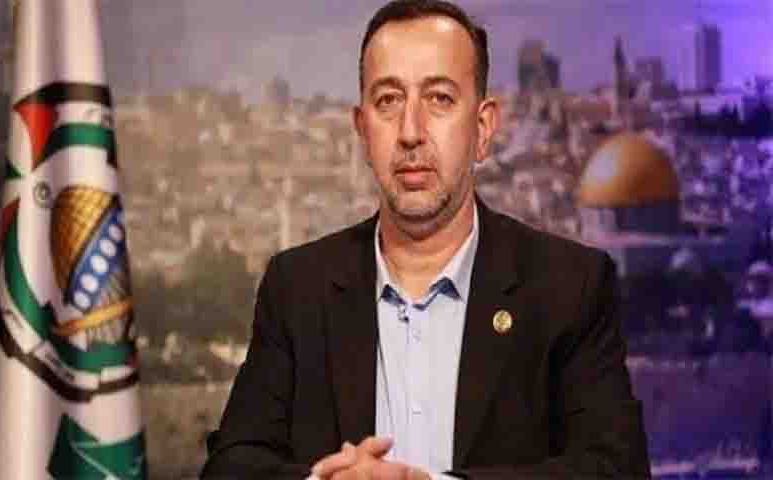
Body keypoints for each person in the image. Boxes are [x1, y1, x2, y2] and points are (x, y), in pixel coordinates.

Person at [201, 1, 650, 478]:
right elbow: (231, 467)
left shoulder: (568, 287)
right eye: (388, 101)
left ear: (482, 129)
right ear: (362, 131)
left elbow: (615, 470)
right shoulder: (297, 288)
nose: (410, 132)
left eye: (439, 99)